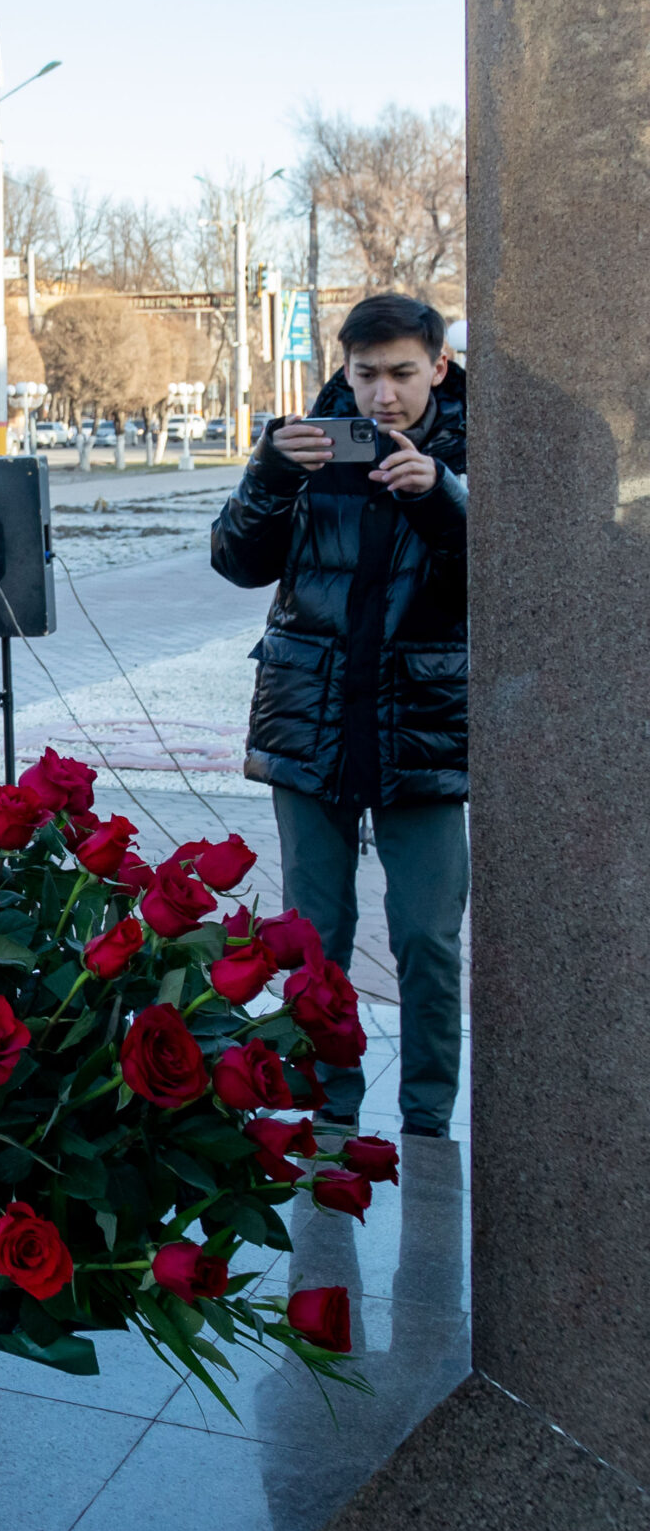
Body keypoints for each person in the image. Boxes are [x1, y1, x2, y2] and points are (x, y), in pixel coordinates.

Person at [211, 292, 468, 1137]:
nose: (382, 397)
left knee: (427, 936)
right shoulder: (311, 441)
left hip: (422, 726)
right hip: (310, 718)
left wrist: (442, 496)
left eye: (401, 374)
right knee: (316, 936)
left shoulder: (471, 447)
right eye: (365, 376)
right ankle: (329, 1106)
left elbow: (499, 583)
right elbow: (235, 563)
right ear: (344, 368)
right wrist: (270, 472)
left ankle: (428, 1115)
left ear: (437, 366)